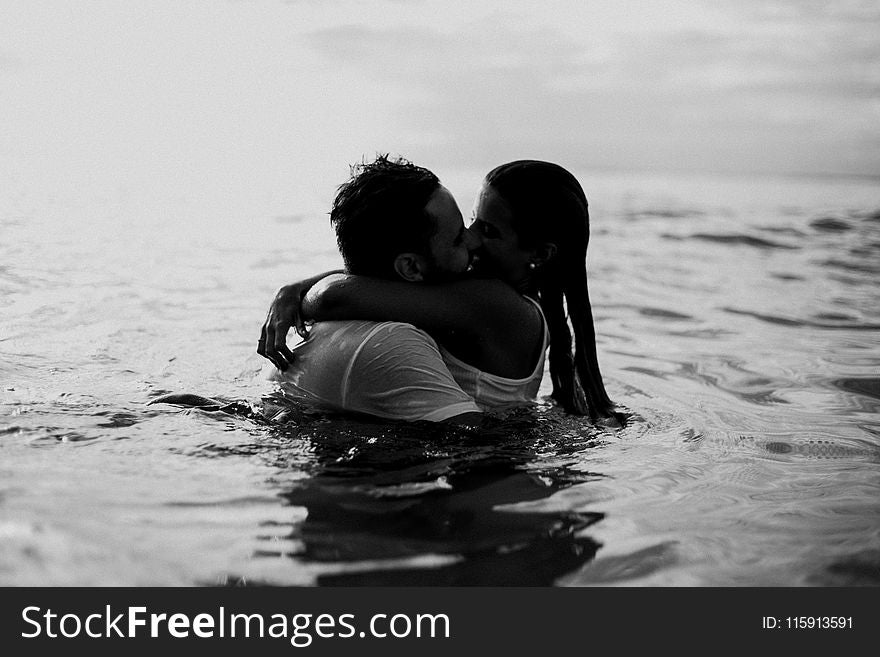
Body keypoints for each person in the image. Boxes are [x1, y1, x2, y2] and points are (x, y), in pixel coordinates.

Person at [261, 159, 618, 424]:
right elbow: (384, 279)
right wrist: (292, 289)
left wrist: (297, 292)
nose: (473, 237)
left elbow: (335, 296)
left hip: (481, 462)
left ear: (539, 254)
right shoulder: (476, 293)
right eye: (472, 222)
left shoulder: (494, 304)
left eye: (490, 232)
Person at [260, 155, 484, 424]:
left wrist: (293, 289)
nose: (474, 240)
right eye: (458, 238)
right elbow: (473, 439)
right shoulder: (393, 341)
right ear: (411, 268)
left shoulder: (308, 328)